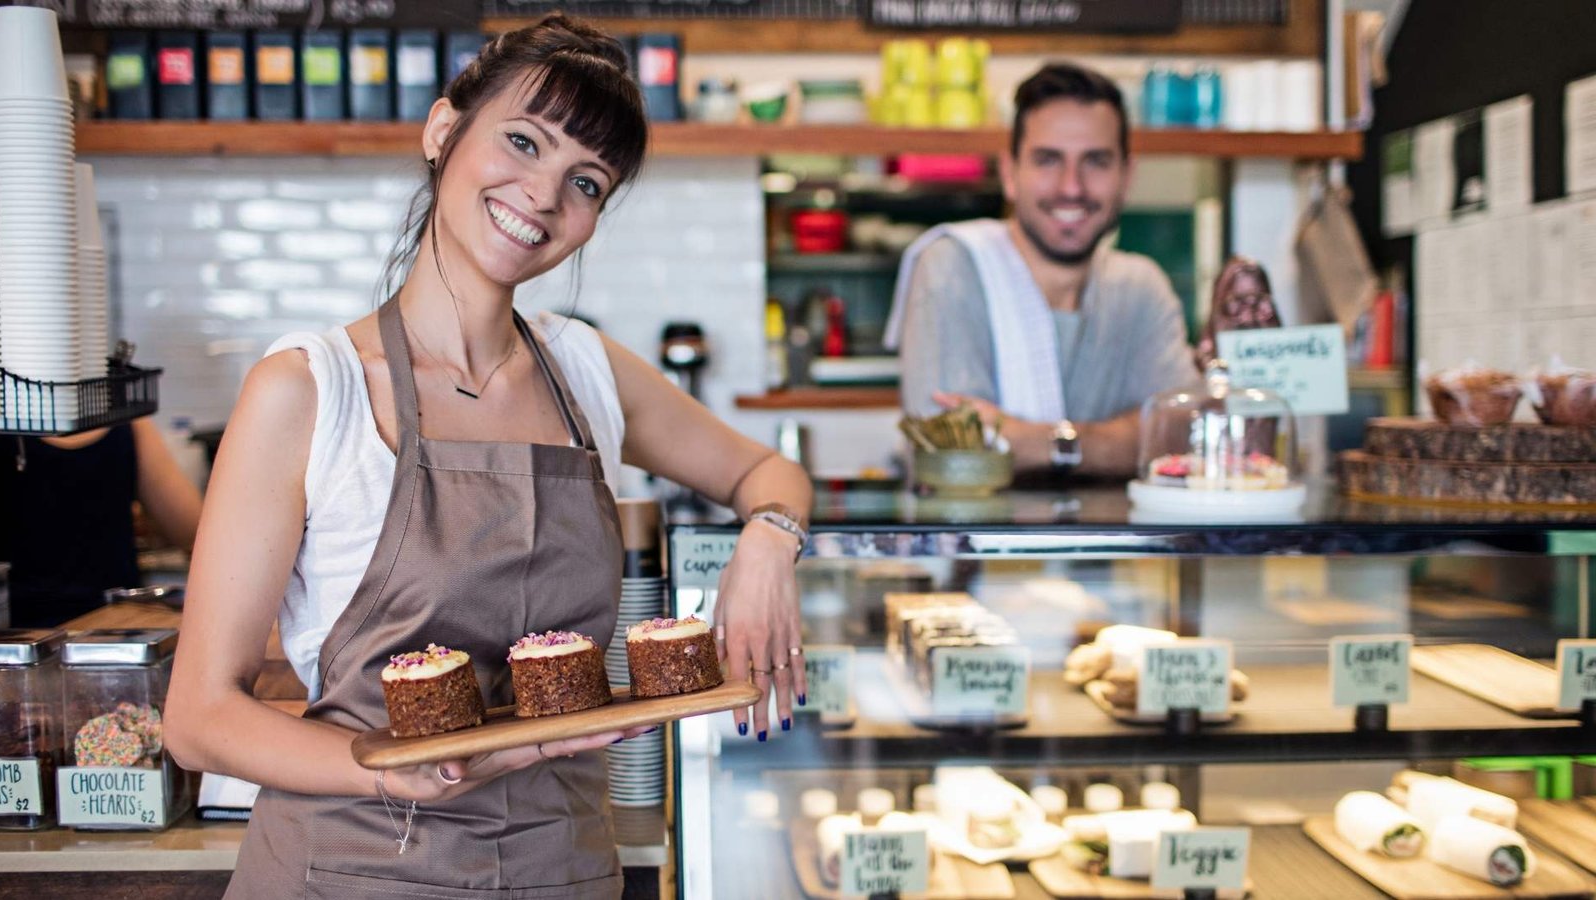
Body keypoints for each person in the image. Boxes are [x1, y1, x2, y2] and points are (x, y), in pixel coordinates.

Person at [164, 17, 812, 899]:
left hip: (562, 868)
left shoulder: (587, 370)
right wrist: (394, 772)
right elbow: (199, 717)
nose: (543, 194)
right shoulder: (311, 388)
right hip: (354, 866)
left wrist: (769, 541)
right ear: (442, 130)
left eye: (585, 181)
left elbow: (767, 474)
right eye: (523, 141)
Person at [887, 62, 1197, 478]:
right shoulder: (953, 267)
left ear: (1127, 176)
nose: (1071, 186)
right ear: (1009, 173)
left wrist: (1034, 441)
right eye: (1048, 160)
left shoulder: (1141, 288)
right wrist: (1119, 440)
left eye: (1096, 161)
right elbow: (953, 457)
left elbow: (1181, 437)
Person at [0, 419, 202, 627]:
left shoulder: (127, 418)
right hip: (115, 624)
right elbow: (190, 531)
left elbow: (190, 532)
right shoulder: (127, 417)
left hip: (34, 629)